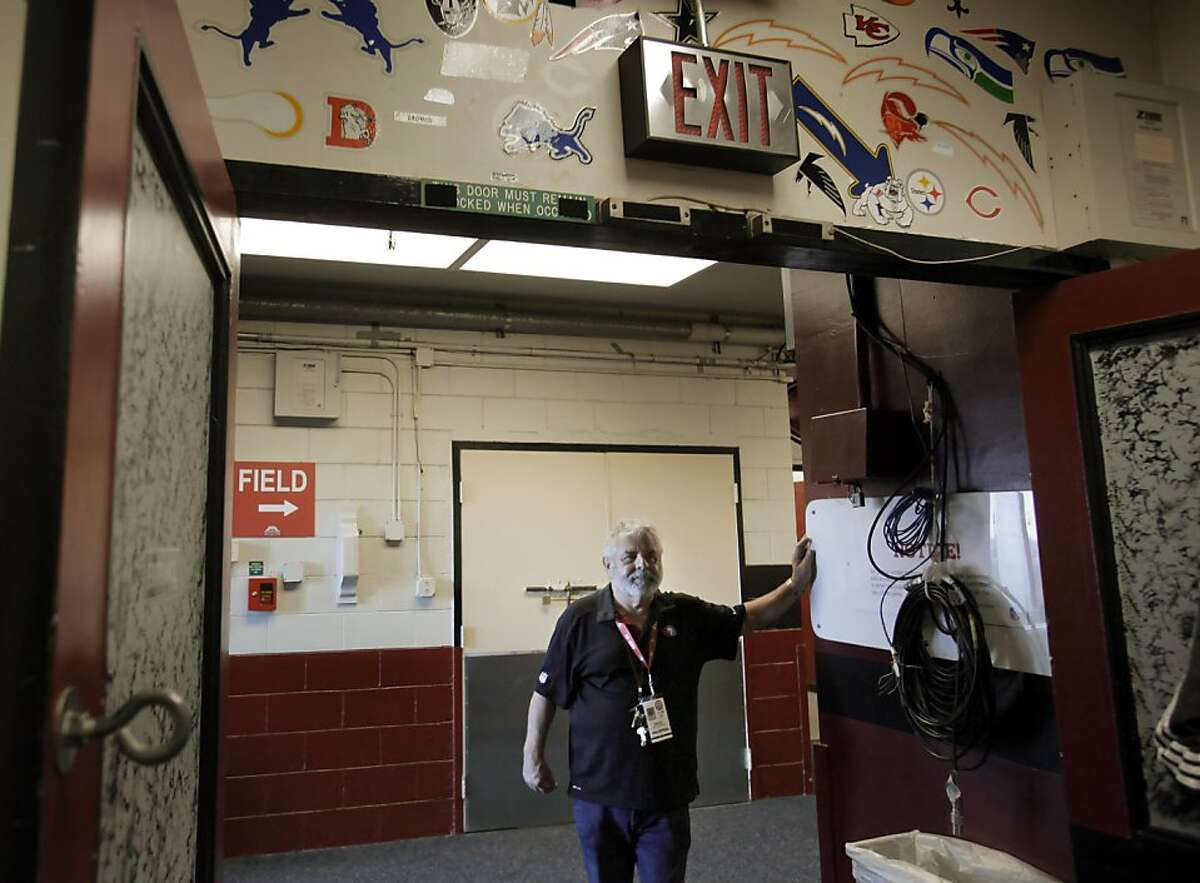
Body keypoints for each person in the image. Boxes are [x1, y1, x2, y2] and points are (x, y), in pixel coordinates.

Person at [522, 519, 817, 883]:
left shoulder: (684, 614)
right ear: (608, 564)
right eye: (630, 556)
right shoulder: (578, 621)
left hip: (665, 793)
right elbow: (546, 691)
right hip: (599, 796)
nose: (642, 564)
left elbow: (747, 618)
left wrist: (795, 585)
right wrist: (531, 756)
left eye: (651, 555)